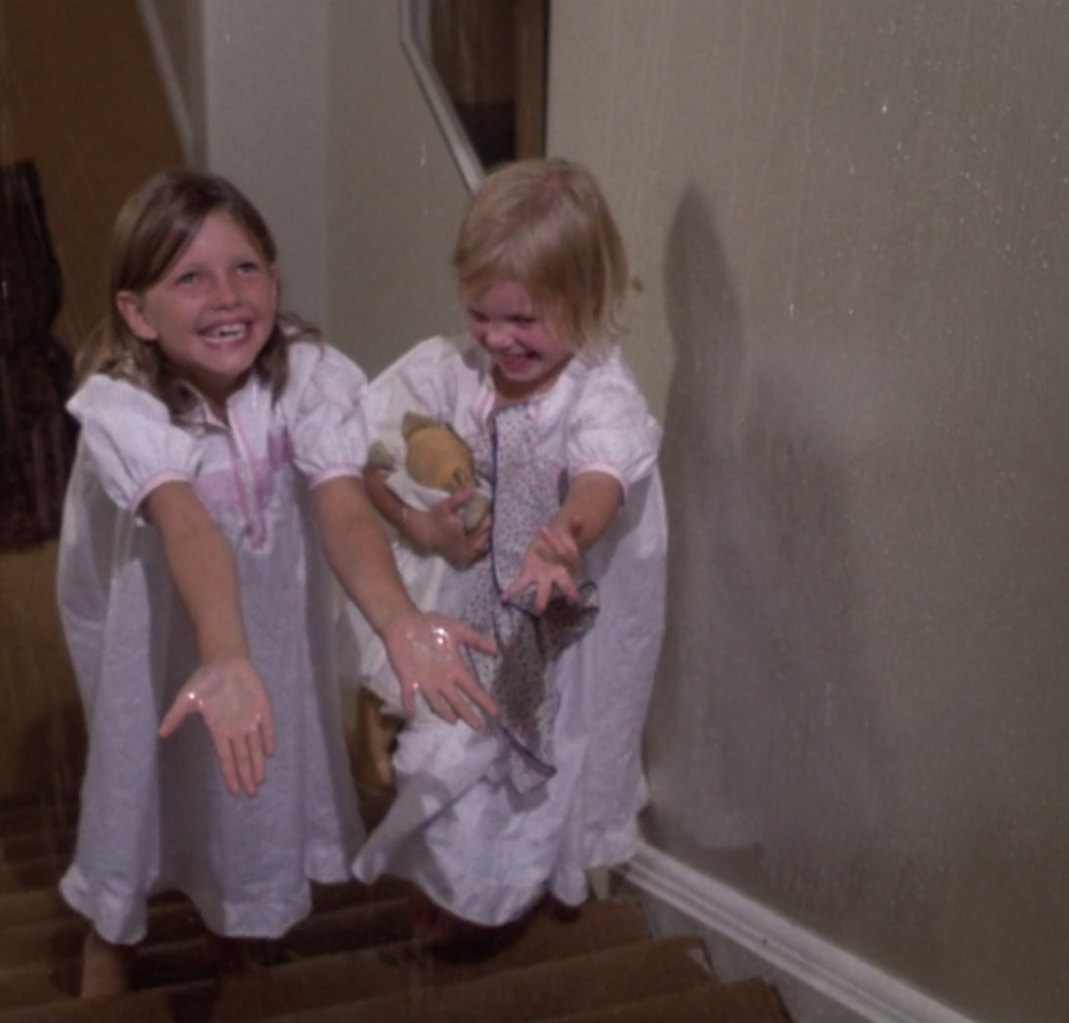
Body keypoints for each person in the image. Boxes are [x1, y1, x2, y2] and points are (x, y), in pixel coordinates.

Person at [56, 171, 499, 996]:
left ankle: (231, 931)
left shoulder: (307, 377)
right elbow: (187, 525)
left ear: (274, 277)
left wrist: (399, 618)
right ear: (137, 314)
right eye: (190, 278)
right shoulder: (121, 407)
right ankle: (109, 948)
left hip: (261, 643)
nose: (226, 296)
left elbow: (342, 510)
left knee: (240, 786)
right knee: (139, 796)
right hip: (159, 641)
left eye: (244, 269)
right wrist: (224, 653)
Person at [345, 157, 667, 947]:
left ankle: (522, 885)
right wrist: (417, 524)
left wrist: (565, 540)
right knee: (445, 753)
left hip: (555, 626)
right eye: (480, 314)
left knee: (543, 763)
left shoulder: (596, 391)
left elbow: (601, 477)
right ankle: (444, 886)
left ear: (584, 301)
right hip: (465, 614)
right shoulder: (451, 371)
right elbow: (361, 453)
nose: (497, 338)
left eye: (523, 320)